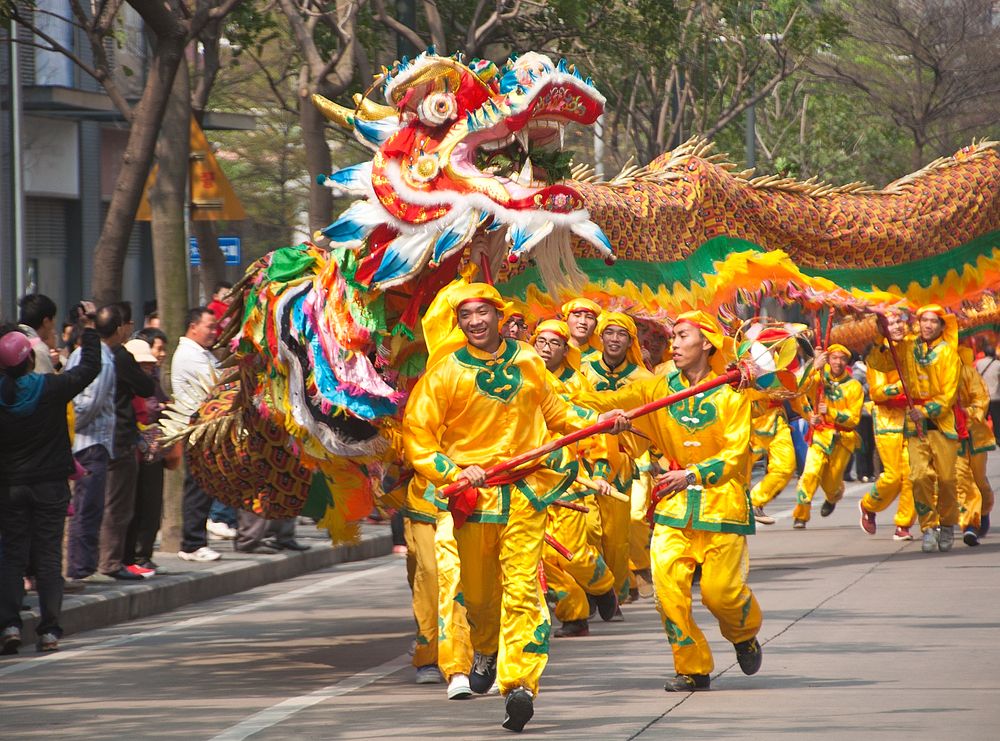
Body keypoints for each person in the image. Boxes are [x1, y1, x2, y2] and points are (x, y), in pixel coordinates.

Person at [402, 282, 626, 732]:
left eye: (483, 312)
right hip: (474, 500)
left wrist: (599, 420)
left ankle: (520, 683)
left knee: (523, 588)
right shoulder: (444, 373)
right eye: (466, 316)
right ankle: (485, 648)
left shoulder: (527, 359)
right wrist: (455, 471)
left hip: (525, 494)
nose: (476, 322)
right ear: (458, 322)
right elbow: (417, 436)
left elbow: (558, 411)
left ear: (498, 315)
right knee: (481, 598)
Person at [579, 310, 762, 692]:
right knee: (668, 593)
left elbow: (736, 454)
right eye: (673, 337)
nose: (673, 344)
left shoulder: (732, 393)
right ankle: (692, 666)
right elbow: (608, 402)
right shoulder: (658, 388)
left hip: (721, 505)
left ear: (706, 343)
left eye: (682, 336)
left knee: (720, 594)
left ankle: (743, 633)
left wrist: (693, 474)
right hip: (673, 508)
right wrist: (613, 418)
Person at [0, 320, 101, 654]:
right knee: (47, 557)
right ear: (30, 359)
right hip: (49, 488)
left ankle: (10, 625)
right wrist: (87, 331)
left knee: (12, 557)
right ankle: (49, 631)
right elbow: (89, 368)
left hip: (11, 488)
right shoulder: (50, 388)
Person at [531, 319, 618, 638]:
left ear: (565, 350)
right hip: (528, 480)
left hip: (568, 476)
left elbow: (591, 431)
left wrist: (599, 469)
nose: (545, 347)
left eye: (554, 343)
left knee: (573, 552)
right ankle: (574, 614)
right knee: (541, 557)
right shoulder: (522, 376)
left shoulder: (577, 384)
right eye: (540, 340)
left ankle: (603, 585)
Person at [869, 305, 961, 553]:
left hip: (941, 424)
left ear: (941, 326)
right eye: (924, 320)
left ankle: (948, 524)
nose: (928, 325)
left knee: (947, 479)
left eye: (933, 321)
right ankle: (928, 527)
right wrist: (882, 337)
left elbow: (949, 393)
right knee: (918, 477)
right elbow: (880, 362)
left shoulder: (949, 354)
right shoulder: (908, 347)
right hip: (914, 425)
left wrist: (927, 410)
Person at [580, 312, 654, 612]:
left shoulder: (644, 380)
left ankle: (617, 594)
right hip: (584, 460)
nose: (613, 339)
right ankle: (593, 589)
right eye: (608, 333)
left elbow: (652, 423)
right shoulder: (582, 371)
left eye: (620, 334)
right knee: (588, 528)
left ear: (630, 341)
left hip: (621, 464)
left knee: (616, 538)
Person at [98, 303, 156, 580]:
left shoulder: (88, 353)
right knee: (118, 504)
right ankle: (110, 562)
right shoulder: (119, 355)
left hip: (94, 438)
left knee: (99, 502)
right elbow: (145, 388)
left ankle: (98, 561)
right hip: (119, 436)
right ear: (120, 328)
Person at [64, 305, 120, 582]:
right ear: (121, 329)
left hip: (87, 442)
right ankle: (80, 568)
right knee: (87, 509)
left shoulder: (81, 354)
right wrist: (73, 430)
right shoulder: (104, 359)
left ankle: (83, 565)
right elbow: (88, 405)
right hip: (90, 443)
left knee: (87, 507)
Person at [791, 345, 864, 528]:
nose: (838, 362)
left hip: (842, 439)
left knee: (831, 484)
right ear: (828, 360)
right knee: (810, 472)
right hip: (820, 434)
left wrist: (830, 411)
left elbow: (854, 418)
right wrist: (814, 366)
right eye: (834, 358)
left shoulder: (854, 386)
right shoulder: (819, 378)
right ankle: (801, 514)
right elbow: (798, 387)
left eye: (842, 359)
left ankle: (834, 496)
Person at [171, 307, 223, 562]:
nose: (214, 332)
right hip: (196, 428)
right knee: (198, 487)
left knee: (203, 486)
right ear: (193, 326)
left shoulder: (201, 353)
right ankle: (192, 543)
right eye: (209, 327)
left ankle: (196, 540)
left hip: (206, 427)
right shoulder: (190, 355)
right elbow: (218, 385)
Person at [858, 311, 916, 540]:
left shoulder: (913, 347)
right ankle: (868, 505)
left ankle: (904, 524)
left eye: (900, 321)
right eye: (891, 323)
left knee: (912, 475)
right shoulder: (878, 352)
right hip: (887, 420)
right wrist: (904, 389)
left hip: (912, 418)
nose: (897, 327)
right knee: (893, 476)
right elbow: (877, 392)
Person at [123, 332, 171, 571]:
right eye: (142, 365)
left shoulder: (154, 383)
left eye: (149, 365)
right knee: (133, 507)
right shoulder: (126, 386)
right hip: (131, 453)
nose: (148, 368)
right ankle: (130, 557)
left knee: (151, 506)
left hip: (153, 453)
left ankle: (144, 554)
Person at [955, 346, 996, 546]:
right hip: (950, 436)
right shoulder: (928, 372)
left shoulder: (967, 372)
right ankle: (970, 524)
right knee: (962, 480)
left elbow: (981, 400)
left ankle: (984, 510)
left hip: (974, 435)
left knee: (979, 479)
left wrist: (965, 413)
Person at [18, 294, 61, 374]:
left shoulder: (10, 339)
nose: (54, 324)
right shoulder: (39, 349)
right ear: (46, 322)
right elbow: (43, 385)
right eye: (54, 319)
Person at [975, 345, 1000, 446]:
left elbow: (976, 378)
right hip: (996, 397)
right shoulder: (998, 364)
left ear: (984, 353)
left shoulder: (979, 363)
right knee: (997, 420)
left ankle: (982, 439)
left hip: (983, 397)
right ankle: (998, 439)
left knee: (982, 419)